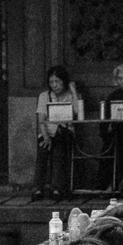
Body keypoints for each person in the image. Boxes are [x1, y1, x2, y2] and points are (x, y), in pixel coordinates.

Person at [34, 65, 78, 201]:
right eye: (51, 82)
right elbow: (41, 119)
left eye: (57, 82)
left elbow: (77, 112)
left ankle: (57, 188)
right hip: (47, 131)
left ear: (64, 81)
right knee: (42, 150)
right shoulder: (44, 96)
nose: (54, 85)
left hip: (64, 131)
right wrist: (46, 137)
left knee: (59, 150)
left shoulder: (70, 95)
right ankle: (37, 188)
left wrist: (74, 92)